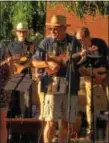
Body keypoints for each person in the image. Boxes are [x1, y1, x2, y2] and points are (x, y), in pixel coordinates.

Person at [32, 15, 85, 143]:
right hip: (52, 85)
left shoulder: (74, 42)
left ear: (63, 28)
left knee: (66, 124)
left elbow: (80, 64)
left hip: (70, 84)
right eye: (51, 28)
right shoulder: (46, 42)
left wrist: (85, 59)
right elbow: (34, 62)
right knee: (50, 122)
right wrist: (47, 64)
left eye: (55, 29)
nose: (52, 31)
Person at [75, 27, 109, 140]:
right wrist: (93, 73)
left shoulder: (100, 43)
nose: (80, 42)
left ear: (88, 37)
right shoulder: (80, 49)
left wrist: (104, 74)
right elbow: (79, 66)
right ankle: (91, 130)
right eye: (78, 40)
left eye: (81, 39)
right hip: (90, 75)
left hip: (104, 74)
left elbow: (107, 58)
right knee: (89, 103)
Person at [0, 42, 10, 143]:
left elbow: (10, 75)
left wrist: (10, 64)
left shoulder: (3, 49)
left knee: (2, 124)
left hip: (3, 94)